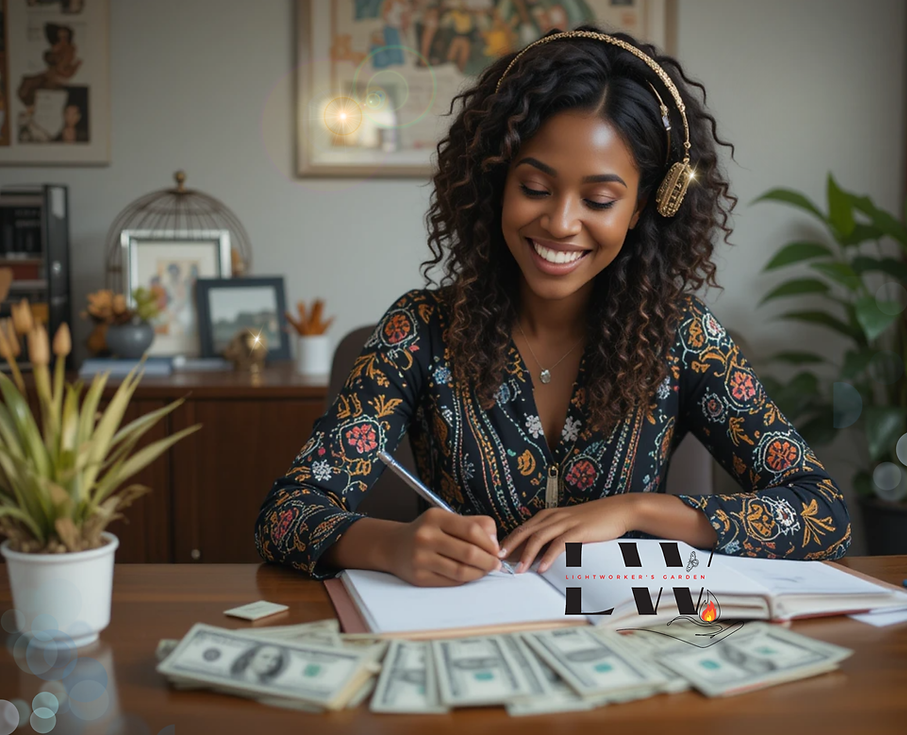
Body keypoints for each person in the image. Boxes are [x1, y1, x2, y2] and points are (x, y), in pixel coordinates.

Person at [255, 26, 851, 587]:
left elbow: (822, 512)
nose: (561, 223)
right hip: (469, 647)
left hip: (636, 658)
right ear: (496, 185)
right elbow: (286, 513)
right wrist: (388, 545)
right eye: (535, 189)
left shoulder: (683, 337)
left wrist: (636, 510)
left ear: (641, 210)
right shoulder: (418, 331)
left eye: (599, 199)